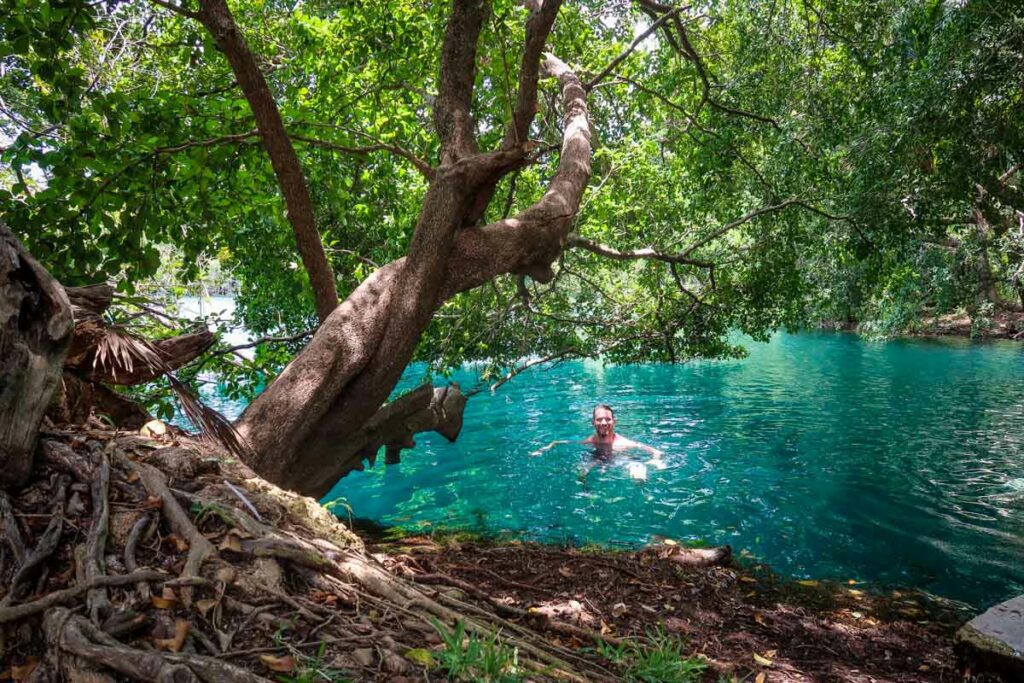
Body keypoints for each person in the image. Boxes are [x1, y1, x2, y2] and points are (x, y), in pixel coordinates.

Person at [530, 404, 665, 478]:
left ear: (614, 422)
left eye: (608, 419)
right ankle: (587, 495)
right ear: (593, 423)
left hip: (619, 460)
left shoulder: (623, 443)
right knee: (581, 472)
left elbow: (655, 451)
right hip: (597, 459)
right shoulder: (591, 441)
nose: (604, 423)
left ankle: (644, 494)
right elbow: (558, 442)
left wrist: (656, 460)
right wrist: (545, 448)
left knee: (638, 471)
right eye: (599, 419)